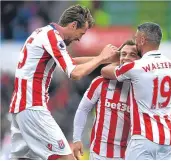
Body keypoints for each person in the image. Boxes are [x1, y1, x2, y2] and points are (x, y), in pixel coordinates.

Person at [9, 4, 118, 160]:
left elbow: (70, 61)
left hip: (20, 109)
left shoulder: (43, 33)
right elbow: (74, 73)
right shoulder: (53, 37)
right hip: (33, 107)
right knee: (66, 157)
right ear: (73, 25)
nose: (80, 38)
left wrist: (103, 59)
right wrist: (101, 58)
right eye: (81, 33)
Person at [101, 22, 171, 160]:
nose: (135, 43)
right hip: (168, 138)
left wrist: (118, 59)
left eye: (136, 38)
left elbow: (105, 71)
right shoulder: (169, 64)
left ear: (142, 40)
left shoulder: (135, 67)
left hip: (145, 137)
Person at [72, 40, 140, 160]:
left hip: (128, 155)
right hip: (99, 154)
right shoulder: (100, 82)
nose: (126, 58)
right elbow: (83, 109)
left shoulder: (142, 87)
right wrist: (77, 139)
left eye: (132, 54)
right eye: (123, 54)